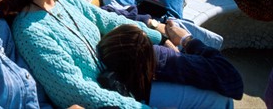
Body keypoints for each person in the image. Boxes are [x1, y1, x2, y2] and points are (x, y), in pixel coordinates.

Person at [7, 0, 235, 109]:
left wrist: (159, 35)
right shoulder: (29, 31)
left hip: (127, 75)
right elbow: (74, 90)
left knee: (218, 96)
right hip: (116, 97)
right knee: (217, 99)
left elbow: (105, 18)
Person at [97, 23, 243, 103]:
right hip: (221, 100)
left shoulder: (135, 84)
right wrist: (186, 40)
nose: (142, 32)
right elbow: (234, 80)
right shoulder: (162, 58)